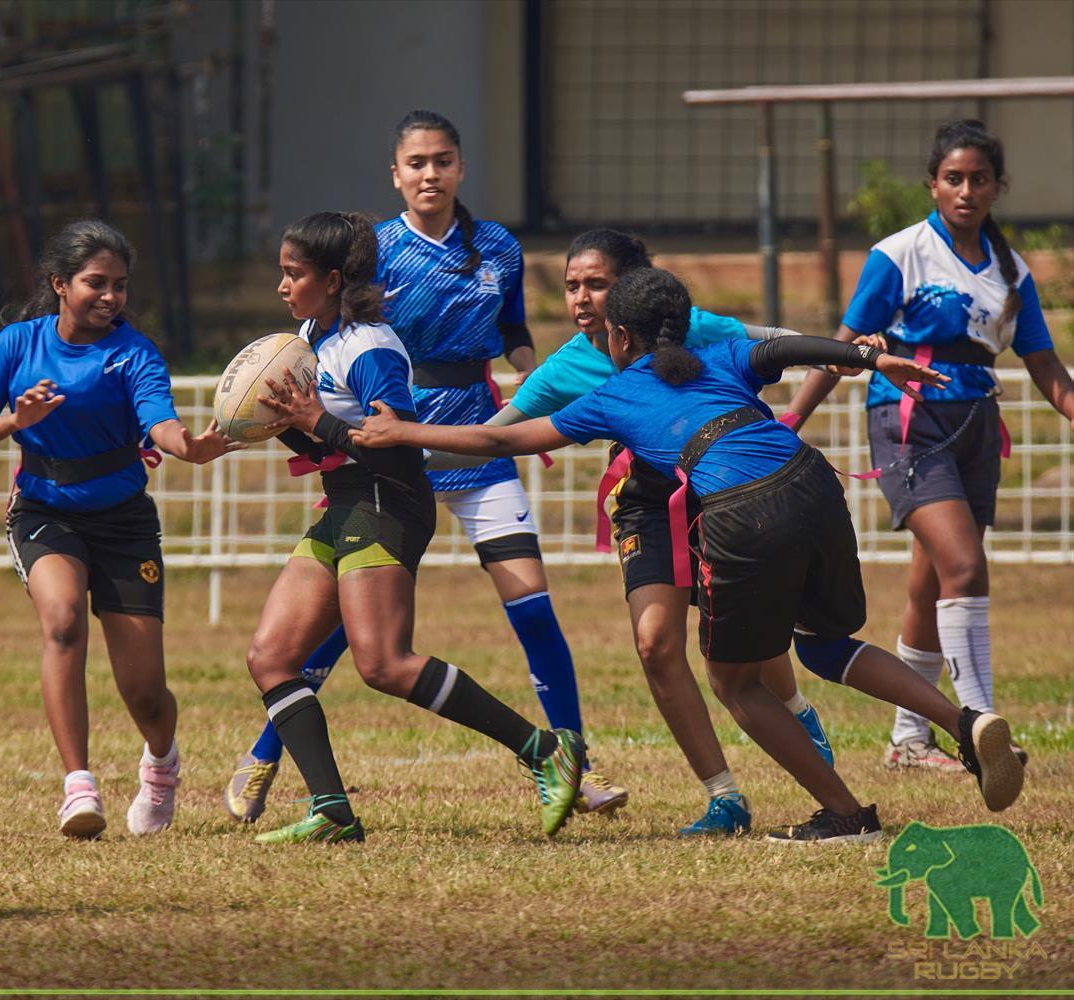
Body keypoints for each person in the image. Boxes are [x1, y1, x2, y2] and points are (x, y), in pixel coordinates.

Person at [352, 266, 1027, 842]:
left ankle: (846, 815)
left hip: (745, 507)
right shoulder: (722, 357)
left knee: (736, 682)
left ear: (619, 336)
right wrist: (874, 360)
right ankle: (965, 721)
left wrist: (401, 432)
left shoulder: (613, 394)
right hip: (816, 485)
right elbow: (793, 347)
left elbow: (505, 442)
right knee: (824, 643)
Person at [224, 110, 618, 826]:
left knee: (402, 655)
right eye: (416, 162)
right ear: (396, 174)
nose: (281, 287)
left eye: (291, 274)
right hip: (356, 488)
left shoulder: (384, 335)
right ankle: (322, 801)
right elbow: (331, 437)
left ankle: (555, 753)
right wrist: (278, 428)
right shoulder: (324, 325)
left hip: (425, 464)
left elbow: (396, 431)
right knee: (277, 653)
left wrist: (530, 412)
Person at [480, 228, 836, 836]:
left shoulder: (693, 328)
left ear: (635, 288)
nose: (582, 299)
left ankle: (797, 712)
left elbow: (776, 342)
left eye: (597, 284)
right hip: (647, 503)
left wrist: (834, 364)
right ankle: (724, 797)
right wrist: (384, 448)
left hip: (732, 492)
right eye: (571, 287)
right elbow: (497, 431)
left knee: (750, 640)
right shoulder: (565, 366)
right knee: (655, 644)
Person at [786, 120, 1072, 772]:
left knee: (931, 584)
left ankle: (909, 741)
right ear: (933, 185)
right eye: (953, 178)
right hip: (908, 424)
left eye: (979, 179)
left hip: (975, 428)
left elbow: (1046, 368)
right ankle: (982, 735)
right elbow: (845, 343)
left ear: (998, 187)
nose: (966, 190)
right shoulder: (901, 253)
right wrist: (790, 419)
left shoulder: (1011, 270)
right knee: (966, 567)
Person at [0, 220, 237, 840]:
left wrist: (189, 446)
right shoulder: (15, 346)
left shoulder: (134, 353)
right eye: (95, 283)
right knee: (61, 622)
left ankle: (160, 765)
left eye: (120, 285)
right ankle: (78, 786)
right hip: (43, 510)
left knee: (145, 692)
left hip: (124, 522)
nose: (110, 297)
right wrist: (12, 421)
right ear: (59, 284)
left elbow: (159, 422)